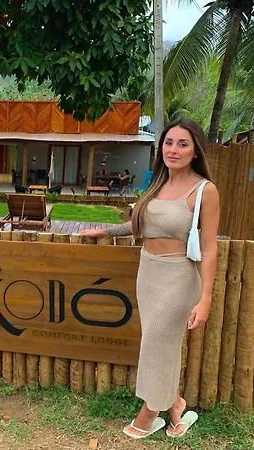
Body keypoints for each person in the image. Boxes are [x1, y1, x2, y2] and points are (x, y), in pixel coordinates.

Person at [80, 118, 219, 438]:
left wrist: (206, 297)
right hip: (149, 272)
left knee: (157, 342)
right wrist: (104, 231)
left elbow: (210, 248)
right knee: (161, 343)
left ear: (196, 151)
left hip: (179, 277)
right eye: (169, 142)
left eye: (183, 144)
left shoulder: (204, 191)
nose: (174, 149)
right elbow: (139, 224)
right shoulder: (157, 184)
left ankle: (149, 412)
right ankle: (176, 405)